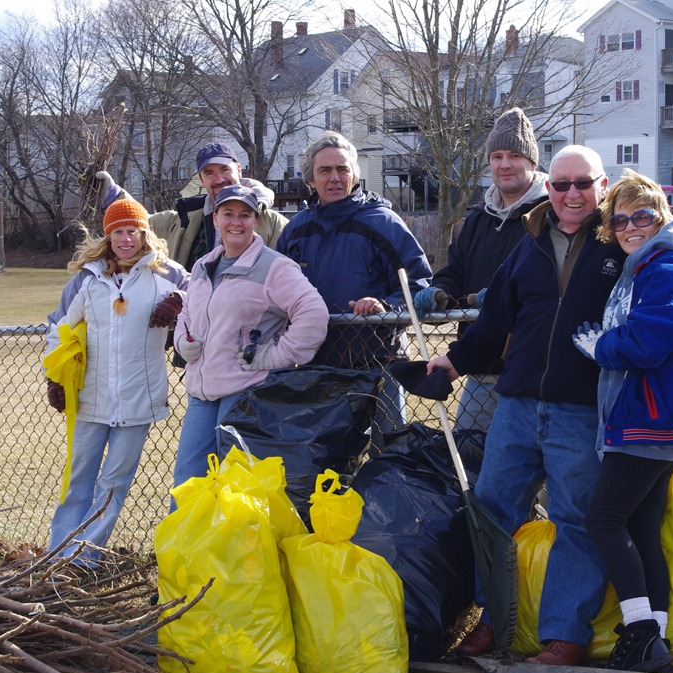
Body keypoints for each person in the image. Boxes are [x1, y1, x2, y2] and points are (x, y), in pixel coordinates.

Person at [427, 146, 673, 666]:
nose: (570, 194)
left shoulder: (622, 234)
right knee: (494, 510)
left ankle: (564, 636)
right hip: (516, 402)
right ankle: (492, 621)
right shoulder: (529, 239)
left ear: (601, 185)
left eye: (582, 184)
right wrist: (450, 365)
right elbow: (494, 318)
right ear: (548, 185)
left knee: (577, 520)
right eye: (560, 184)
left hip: (583, 406)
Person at [572, 170, 673, 672]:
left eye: (642, 216)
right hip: (654, 416)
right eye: (620, 219)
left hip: (652, 418)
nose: (631, 225)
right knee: (639, 524)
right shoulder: (645, 262)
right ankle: (655, 638)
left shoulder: (663, 262)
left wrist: (603, 347)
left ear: (661, 218)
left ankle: (638, 631)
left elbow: (657, 336)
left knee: (603, 519)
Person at [44, 197, 189, 566]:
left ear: (145, 234)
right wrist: (56, 378)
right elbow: (58, 329)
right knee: (79, 480)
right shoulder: (88, 276)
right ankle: (57, 555)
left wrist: (181, 299)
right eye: (118, 232)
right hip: (90, 397)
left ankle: (83, 560)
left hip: (139, 400)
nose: (126, 239)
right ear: (108, 236)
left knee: (114, 484)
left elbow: (206, 299)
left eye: (133, 231)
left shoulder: (168, 273)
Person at [171, 184, 328, 504]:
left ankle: (233, 553)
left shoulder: (273, 267)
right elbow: (188, 311)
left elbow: (313, 314)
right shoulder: (203, 266)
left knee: (234, 486)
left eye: (245, 215)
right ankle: (184, 554)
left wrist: (275, 356)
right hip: (202, 392)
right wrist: (182, 340)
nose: (236, 222)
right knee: (188, 481)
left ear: (256, 220)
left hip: (245, 393)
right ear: (215, 219)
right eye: (228, 214)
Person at [275, 131, 432, 448]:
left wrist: (384, 308)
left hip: (378, 364)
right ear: (311, 179)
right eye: (325, 170)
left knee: (387, 457)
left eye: (342, 169)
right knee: (324, 463)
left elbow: (419, 286)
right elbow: (274, 295)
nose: (334, 178)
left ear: (354, 174)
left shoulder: (383, 222)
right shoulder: (295, 230)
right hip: (316, 367)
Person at [413, 107, 548, 431]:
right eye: (497, 155)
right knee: (471, 457)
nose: (504, 164)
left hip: (535, 371)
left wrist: (506, 297)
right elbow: (455, 268)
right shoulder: (477, 220)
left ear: (532, 162)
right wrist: (438, 291)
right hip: (480, 367)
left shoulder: (549, 216)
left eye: (514, 155)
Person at [96, 141, 287, 272]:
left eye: (225, 170)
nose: (219, 179)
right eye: (209, 173)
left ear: (238, 169)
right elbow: (139, 221)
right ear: (201, 180)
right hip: (192, 323)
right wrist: (112, 193)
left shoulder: (274, 223)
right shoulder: (182, 220)